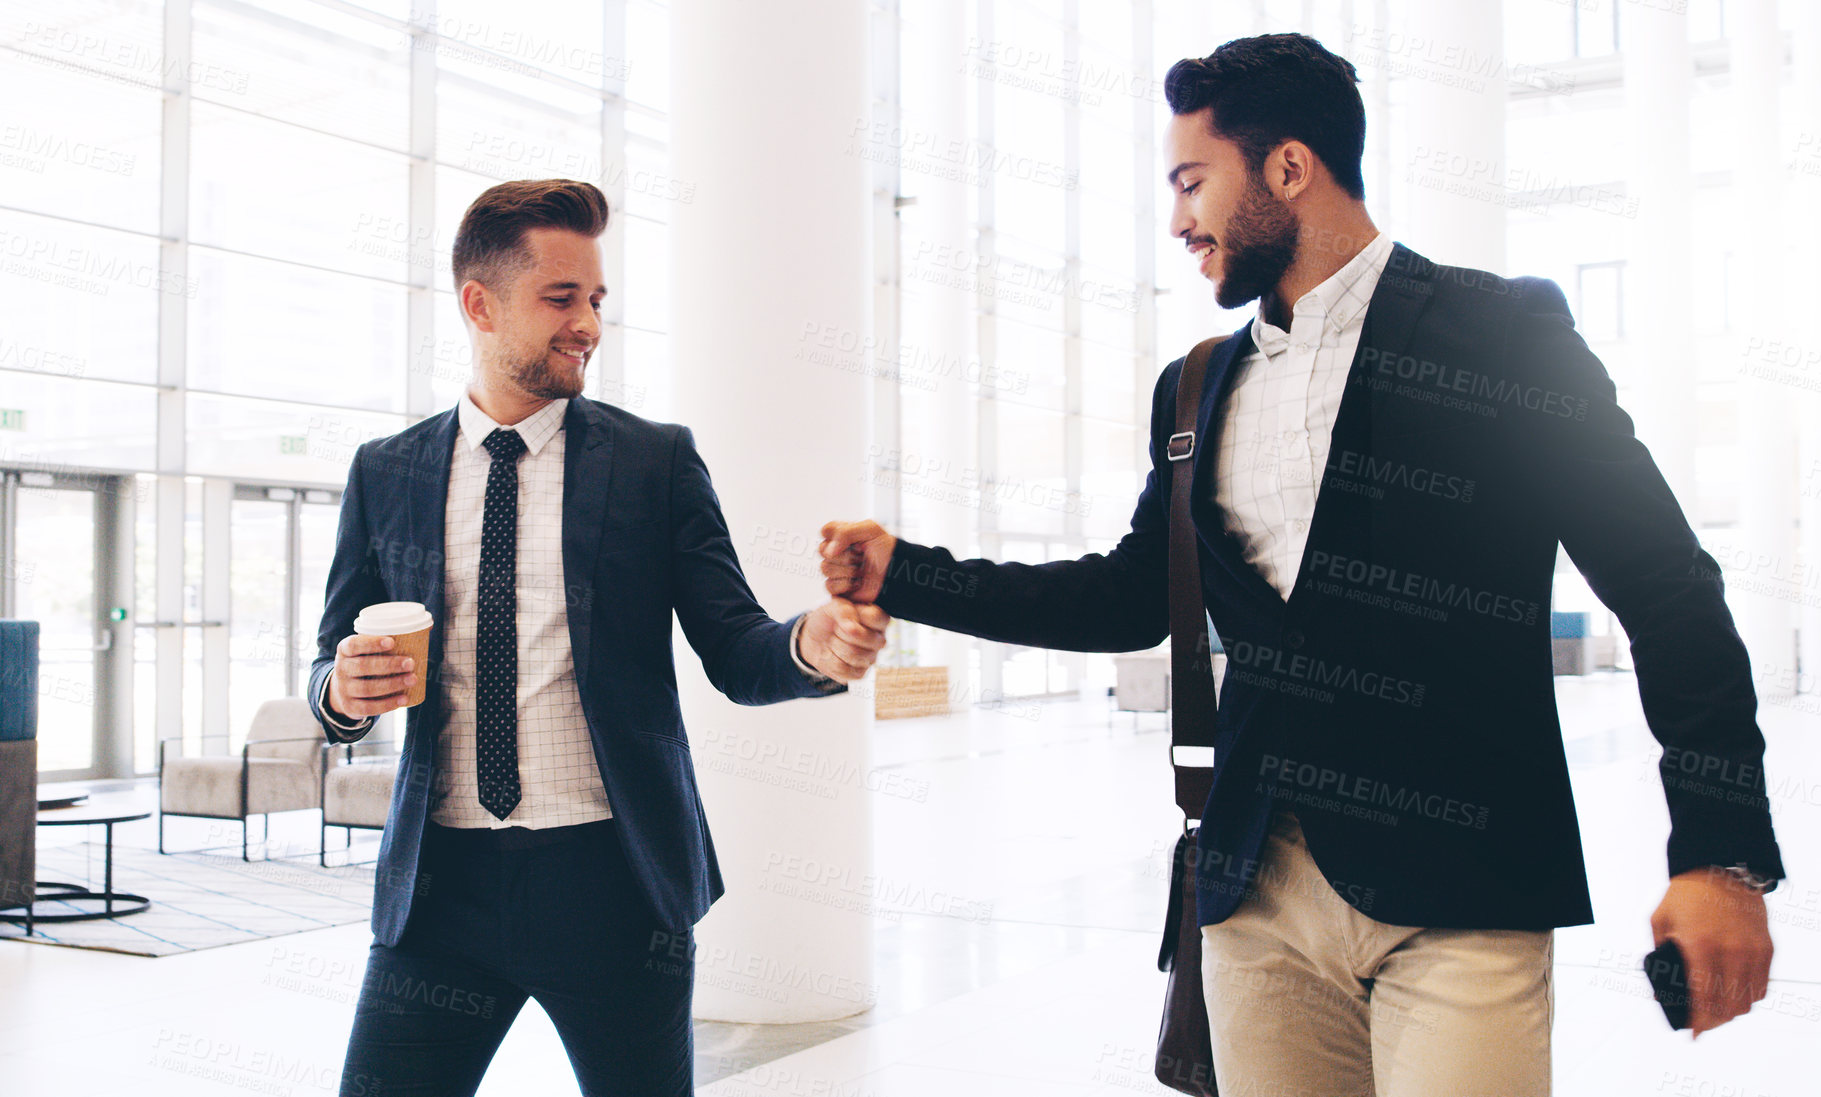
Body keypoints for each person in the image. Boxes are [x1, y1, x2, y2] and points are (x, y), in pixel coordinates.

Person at [819, 33, 1782, 1097]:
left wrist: (1720, 850)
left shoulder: (1502, 335)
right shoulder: (1197, 387)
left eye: (1193, 182)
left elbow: (1665, 585)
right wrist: (907, 572)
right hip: (1256, 901)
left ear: (1288, 167)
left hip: (1458, 892)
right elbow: (1128, 593)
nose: (1178, 220)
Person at [308, 178, 889, 1097]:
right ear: (479, 304)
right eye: (561, 298)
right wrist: (340, 694)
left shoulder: (653, 462)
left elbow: (734, 645)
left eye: (596, 299)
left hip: (614, 889)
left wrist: (811, 646)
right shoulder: (387, 472)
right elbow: (330, 660)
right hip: (439, 892)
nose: (588, 323)